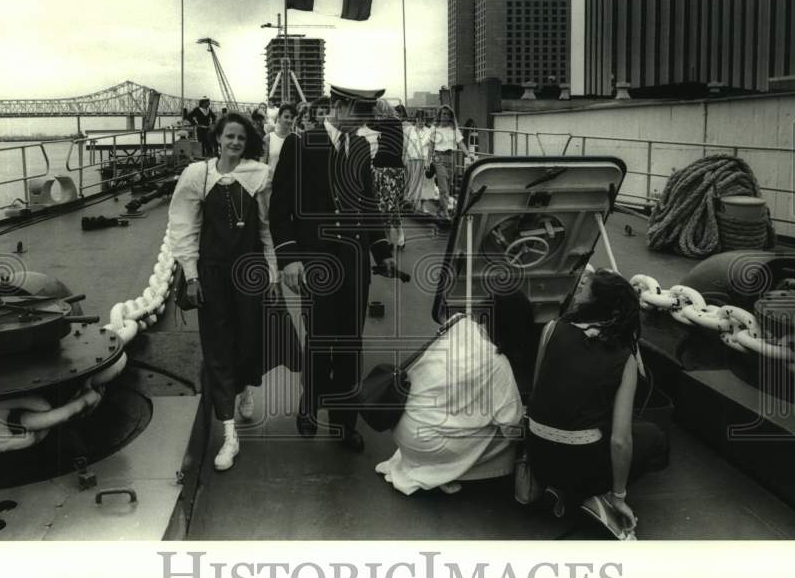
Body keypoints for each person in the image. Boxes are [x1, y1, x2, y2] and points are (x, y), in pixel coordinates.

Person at [269, 85, 395, 452]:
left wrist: (381, 249)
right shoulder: (301, 143)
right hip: (317, 260)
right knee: (321, 338)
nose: (364, 121)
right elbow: (281, 207)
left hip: (354, 261)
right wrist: (290, 258)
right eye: (360, 112)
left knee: (350, 342)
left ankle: (344, 422)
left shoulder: (358, 147)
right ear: (339, 106)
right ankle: (310, 405)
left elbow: (368, 201)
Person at [168, 112, 289, 473]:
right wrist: (191, 275)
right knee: (217, 345)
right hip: (213, 274)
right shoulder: (197, 175)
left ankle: (243, 388)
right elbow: (184, 226)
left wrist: (272, 273)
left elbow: (266, 228)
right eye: (229, 137)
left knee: (248, 339)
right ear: (217, 138)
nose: (234, 143)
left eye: (240, 138)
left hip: (249, 273)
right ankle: (228, 432)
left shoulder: (260, 175)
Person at [526, 268, 668, 539]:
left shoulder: (552, 328)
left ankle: (558, 488)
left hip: (539, 460)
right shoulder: (623, 357)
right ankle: (599, 498)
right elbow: (620, 441)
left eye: (583, 290)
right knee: (654, 438)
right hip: (583, 469)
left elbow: (538, 392)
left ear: (593, 302)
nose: (577, 293)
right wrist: (619, 496)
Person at [374, 292, 534, 495]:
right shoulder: (496, 362)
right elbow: (512, 426)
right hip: (428, 446)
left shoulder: (458, 322)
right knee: (506, 435)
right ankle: (446, 471)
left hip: (402, 428)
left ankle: (435, 467)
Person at [371, 98, 407, 250]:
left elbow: (371, 125)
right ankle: (396, 236)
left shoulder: (391, 121)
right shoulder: (390, 122)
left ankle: (394, 236)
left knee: (388, 205)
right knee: (387, 205)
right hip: (382, 167)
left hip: (390, 168)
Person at [428, 105, 470, 219]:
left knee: (449, 185)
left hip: (451, 157)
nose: (445, 116)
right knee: (444, 188)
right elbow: (431, 146)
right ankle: (445, 213)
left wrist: (468, 154)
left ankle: (441, 210)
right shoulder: (434, 129)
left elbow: (461, 143)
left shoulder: (454, 129)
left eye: (447, 114)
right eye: (443, 114)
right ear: (440, 115)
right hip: (438, 157)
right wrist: (428, 162)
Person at [403, 111, 427, 212]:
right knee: (409, 182)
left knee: (417, 184)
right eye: (420, 119)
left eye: (424, 119)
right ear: (416, 119)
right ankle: (407, 203)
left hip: (421, 160)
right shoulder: (409, 130)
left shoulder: (428, 131)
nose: (421, 122)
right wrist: (403, 157)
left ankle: (414, 205)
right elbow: (405, 145)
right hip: (410, 158)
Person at [263, 102, 297, 174]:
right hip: (272, 182)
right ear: (279, 118)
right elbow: (262, 163)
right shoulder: (269, 138)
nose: (289, 120)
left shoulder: (297, 139)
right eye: (286, 117)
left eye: (292, 118)